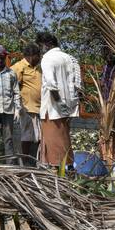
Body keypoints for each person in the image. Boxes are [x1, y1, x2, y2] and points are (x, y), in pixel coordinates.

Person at [37, 32, 80, 168]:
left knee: (54, 144)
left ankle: (57, 177)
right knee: (65, 140)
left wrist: (60, 105)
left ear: (47, 45)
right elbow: (78, 84)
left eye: (40, 46)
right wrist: (69, 107)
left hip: (53, 108)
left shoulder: (48, 58)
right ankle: (69, 171)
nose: (40, 49)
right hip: (69, 108)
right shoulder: (70, 58)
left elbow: (51, 84)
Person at [11, 44, 43, 165]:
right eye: (37, 56)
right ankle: (23, 163)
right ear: (30, 56)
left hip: (39, 108)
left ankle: (35, 162)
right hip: (26, 108)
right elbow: (13, 86)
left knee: (38, 138)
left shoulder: (39, 68)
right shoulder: (19, 67)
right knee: (27, 137)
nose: (39, 58)